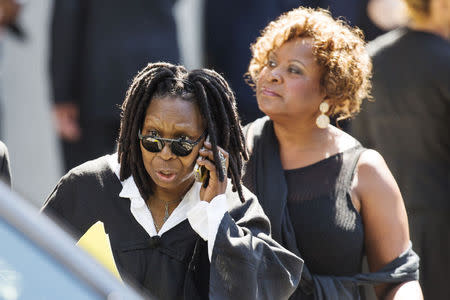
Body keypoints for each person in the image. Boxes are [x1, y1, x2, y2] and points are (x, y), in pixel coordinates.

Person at [42, 62, 303, 299]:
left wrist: (215, 217)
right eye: (152, 138)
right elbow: (30, 267)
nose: (165, 154)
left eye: (182, 142)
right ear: (135, 132)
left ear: (207, 143)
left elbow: (269, 286)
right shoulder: (88, 187)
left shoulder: (233, 207)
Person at [242, 7, 422, 299]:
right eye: (271, 62)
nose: (273, 74)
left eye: (294, 69)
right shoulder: (236, 151)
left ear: (329, 89)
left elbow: (398, 280)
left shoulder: (365, 169)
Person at [351, 0, 450, 298]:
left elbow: (358, 150)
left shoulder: (370, 60)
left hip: (380, 233)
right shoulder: (445, 61)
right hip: (442, 229)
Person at [50, 0, 180, 172]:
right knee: (155, 186)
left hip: (95, 77)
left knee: (88, 189)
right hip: (157, 73)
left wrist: (63, 93)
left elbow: (67, 12)